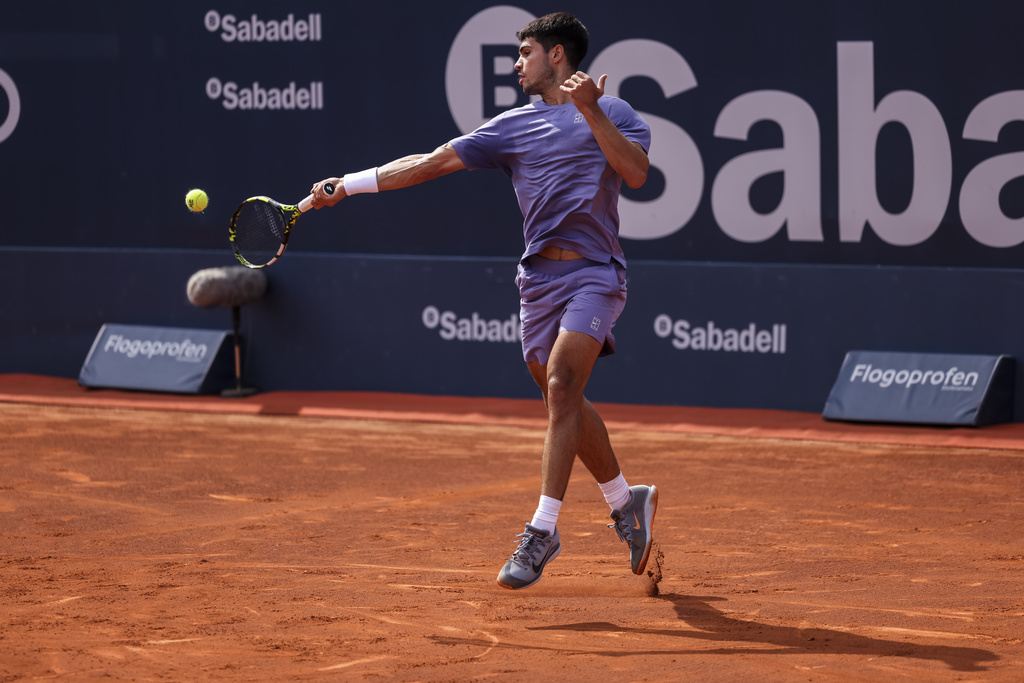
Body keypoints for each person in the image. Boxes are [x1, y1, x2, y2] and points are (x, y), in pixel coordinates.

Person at [308, 12, 658, 590]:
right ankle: (626, 502)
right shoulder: (511, 127)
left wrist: (591, 109)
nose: (517, 64)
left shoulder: (613, 110)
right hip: (537, 283)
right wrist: (348, 184)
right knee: (560, 397)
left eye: (525, 53)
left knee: (564, 385)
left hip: (595, 273)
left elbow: (637, 174)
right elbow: (431, 162)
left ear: (557, 56)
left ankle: (542, 531)